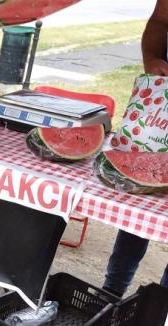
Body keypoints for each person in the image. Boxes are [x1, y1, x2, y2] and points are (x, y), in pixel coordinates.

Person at [103, 0, 168, 298]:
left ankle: (159, 316)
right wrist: (152, 57)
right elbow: (159, 21)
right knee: (141, 196)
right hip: (161, 112)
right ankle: (111, 291)